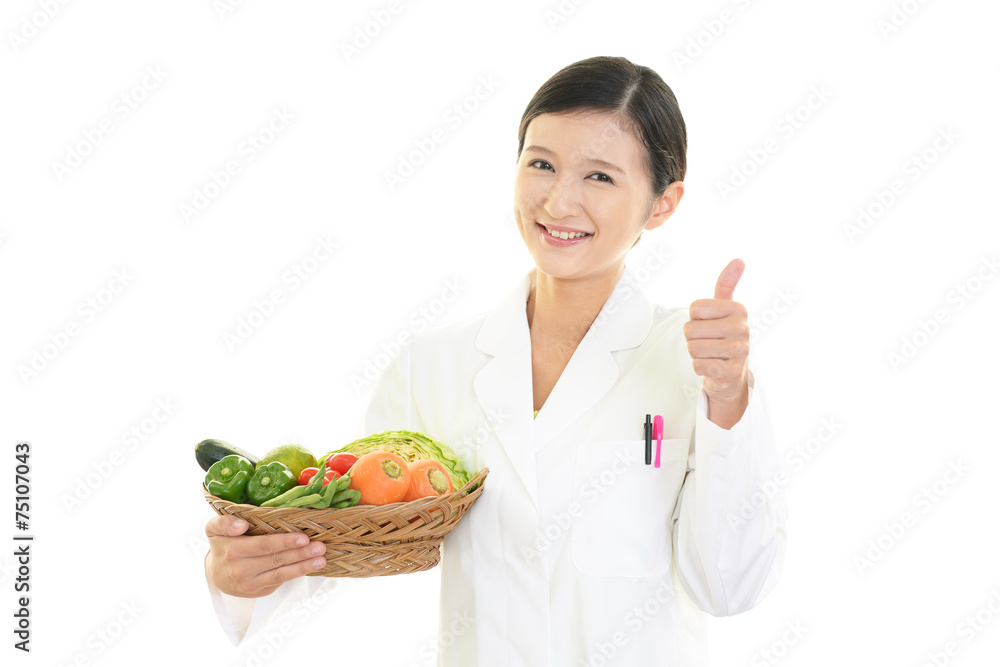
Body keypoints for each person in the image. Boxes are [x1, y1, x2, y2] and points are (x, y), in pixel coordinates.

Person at [204, 55, 787, 665]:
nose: (559, 202)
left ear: (662, 204)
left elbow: (729, 587)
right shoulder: (433, 366)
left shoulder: (700, 368)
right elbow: (349, 529)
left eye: (600, 177)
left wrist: (727, 397)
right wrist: (242, 572)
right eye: (542, 164)